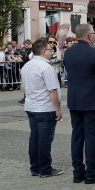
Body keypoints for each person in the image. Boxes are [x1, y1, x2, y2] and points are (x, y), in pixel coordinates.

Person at [62, 23, 95, 184]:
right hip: (92, 101)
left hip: (75, 100)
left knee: (77, 136)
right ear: (89, 35)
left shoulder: (68, 53)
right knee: (92, 137)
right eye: (93, 33)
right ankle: (91, 173)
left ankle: (78, 172)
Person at [21, 38, 63, 177]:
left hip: (31, 106)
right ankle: (45, 169)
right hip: (44, 108)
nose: (51, 52)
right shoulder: (46, 67)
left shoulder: (27, 66)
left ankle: (35, 167)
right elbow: (52, 90)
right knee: (44, 140)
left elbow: (23, 87)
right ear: (44, 51)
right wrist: (57, 109)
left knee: (35, 138)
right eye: (50, 50)